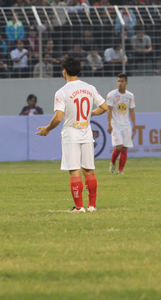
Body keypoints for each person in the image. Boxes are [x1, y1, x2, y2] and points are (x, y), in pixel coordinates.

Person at [36, 57, 109, 213]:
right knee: (89, 170)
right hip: (86, 132)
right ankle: (92, 206)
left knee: (74, 171)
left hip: (71, 134)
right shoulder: (89, 87)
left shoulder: (62, 92)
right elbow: (104, 107)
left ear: (64, 71)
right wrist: (90, 114)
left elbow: (58, 118)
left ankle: (79, 207)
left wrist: (47, 129)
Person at [106, 73, 136, 175]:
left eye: (122, 81)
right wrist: (109, 124)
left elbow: (131, 111)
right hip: (115, 125)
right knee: (119, 146)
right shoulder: (111, 95)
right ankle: (113, 162)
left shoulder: (130, 96)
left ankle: (120, 171)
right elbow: (109, 110)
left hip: (126, 125)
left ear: (126, 82)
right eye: (118, 81)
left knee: (125, 149)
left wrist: (134, 125)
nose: (120, 83)